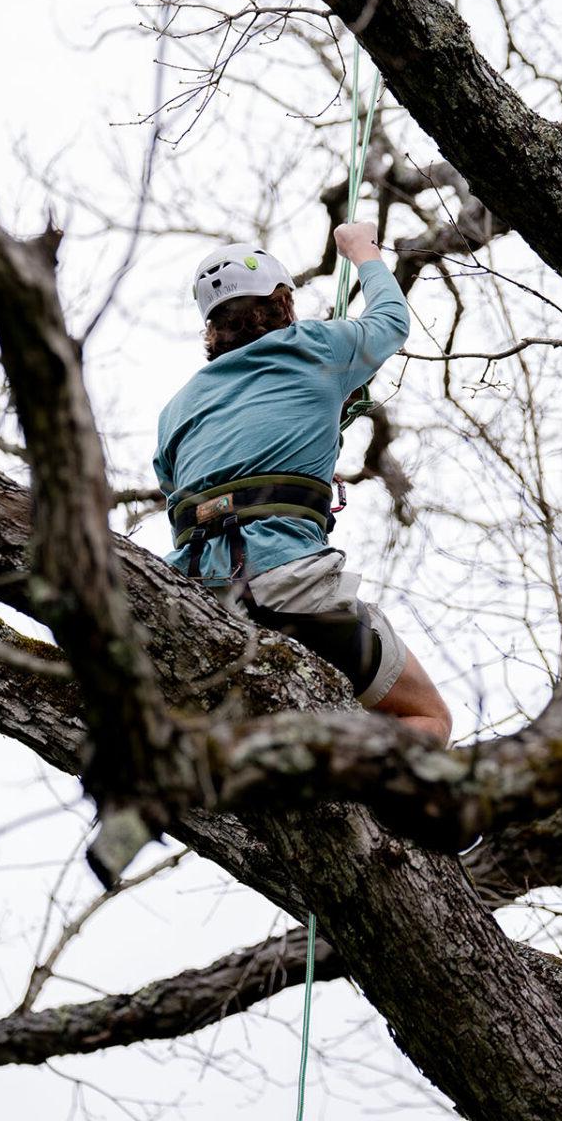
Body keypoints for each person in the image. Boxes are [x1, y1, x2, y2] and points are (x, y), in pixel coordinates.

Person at [154, 222, 451, 745]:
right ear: (283, 303)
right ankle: (359, 780)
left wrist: (299, 474)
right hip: (289, 587)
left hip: (196, 595)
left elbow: (186, 484)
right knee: (426, 720)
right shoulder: (313, 346)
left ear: (212, 326)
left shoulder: (176, 408)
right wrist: (362, 250)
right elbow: (390, 320)